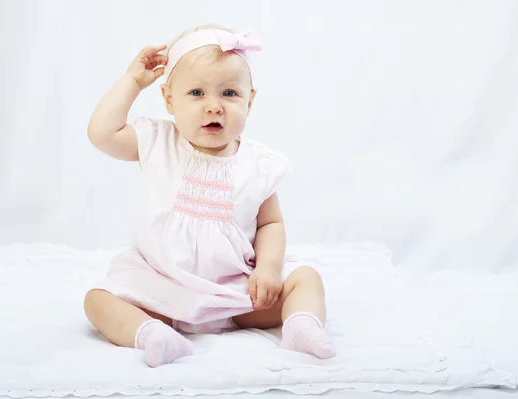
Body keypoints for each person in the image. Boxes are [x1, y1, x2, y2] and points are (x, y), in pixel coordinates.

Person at [84, 25, 335, 367]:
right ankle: (153, 335)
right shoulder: (157, 142)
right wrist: (132, 82)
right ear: (170, 99)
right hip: (163, 288)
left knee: (306, 278)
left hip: (239, 294)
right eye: (197, 93)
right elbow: (101, 133)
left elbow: (271, 223)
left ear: (250, 100)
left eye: (229, 93)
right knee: (98, 300)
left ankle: (302, 326)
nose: (214, 106)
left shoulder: (258, 165)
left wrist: (267, 269)